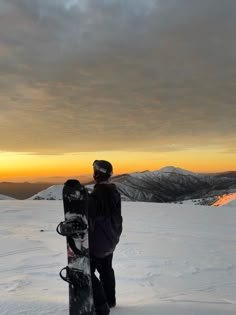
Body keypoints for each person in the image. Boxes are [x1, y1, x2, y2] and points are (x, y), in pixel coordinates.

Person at [88, 160, 123, 315]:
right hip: (110, 240)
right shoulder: (113, 191)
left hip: (98, 243)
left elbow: (90, 214)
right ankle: (110, 300)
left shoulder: (99, 194)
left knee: (86, 273)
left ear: (97, 174)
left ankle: (101, 306)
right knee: (106, 269)